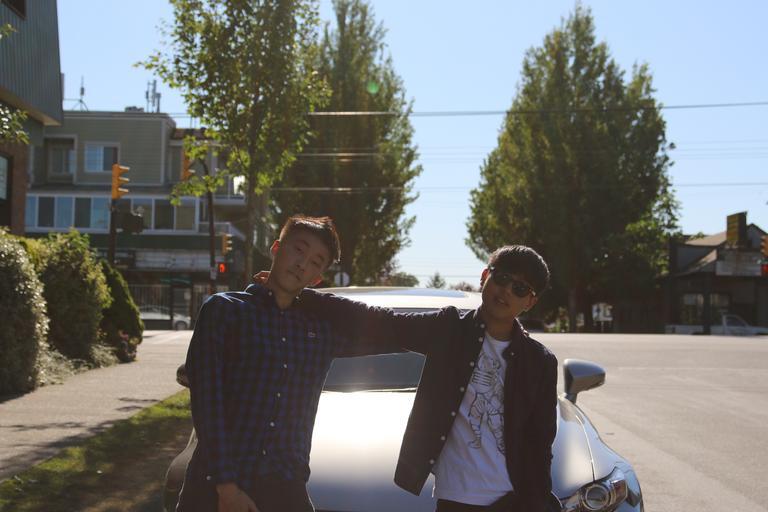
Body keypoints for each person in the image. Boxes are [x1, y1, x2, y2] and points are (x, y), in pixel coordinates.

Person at [297, 245, 558, 512]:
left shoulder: (540, 362)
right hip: (457, 499)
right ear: (484, 276)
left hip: (513, 501)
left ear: (530, 302)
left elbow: (541, 445)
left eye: (520, 288)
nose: (506, 291)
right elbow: (382, 322)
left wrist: (538, 504)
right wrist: (303, 296)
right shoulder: (448, 328)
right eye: (501, 278)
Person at [176, 215, 399, 512]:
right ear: (276, 248)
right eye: (298, 250)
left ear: (317, 278)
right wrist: (227, 489)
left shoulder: (320, 331)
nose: (302, 264)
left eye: (316, 262)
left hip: (285, 490)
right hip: (213, 490)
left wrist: (315, 300)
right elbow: (208, 405)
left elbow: (394, 333)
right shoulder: (224, 311)